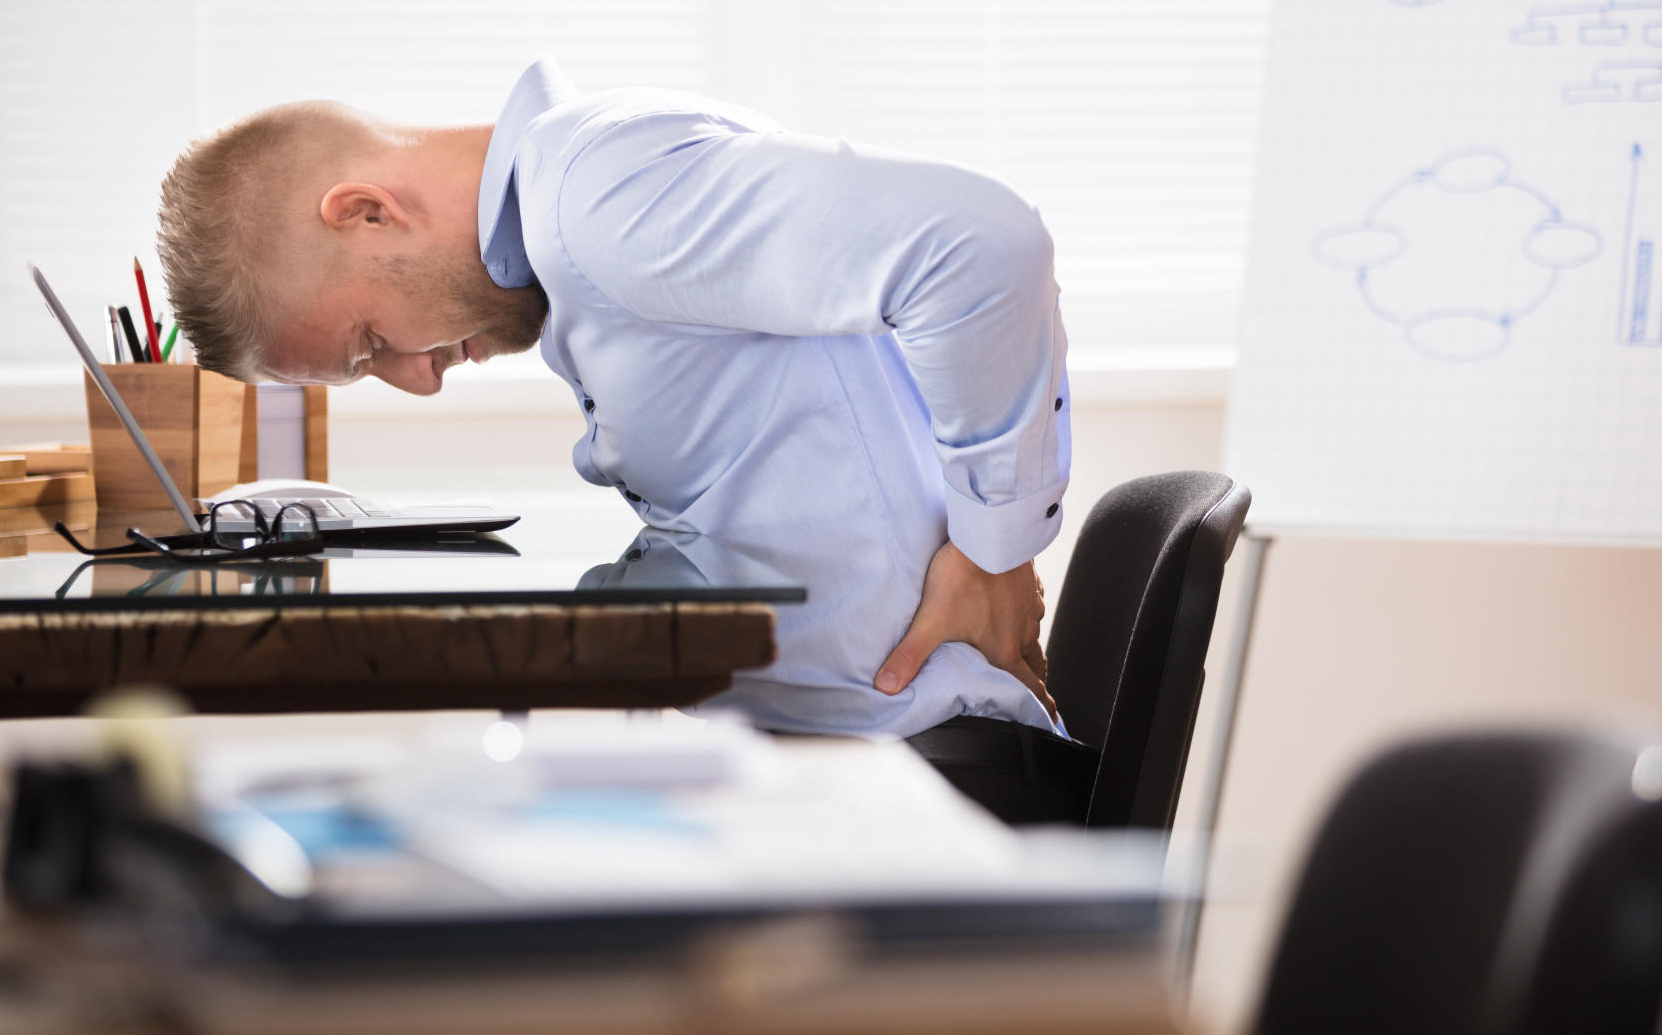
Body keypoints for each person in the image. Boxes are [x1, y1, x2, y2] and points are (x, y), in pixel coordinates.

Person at [155, 59, 1089, 823]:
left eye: (370, 346)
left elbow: (983, 246)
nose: (420, 377)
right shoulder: (578, 231)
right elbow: (736, 518)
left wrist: (993, 549)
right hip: (831, 772)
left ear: (367, 213)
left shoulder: (599, 197)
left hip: (921, 790)